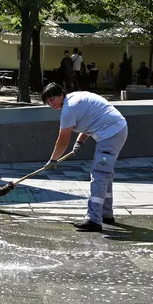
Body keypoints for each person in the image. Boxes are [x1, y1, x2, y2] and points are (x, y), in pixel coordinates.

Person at [41, 83, 128, 232]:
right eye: (47, 101)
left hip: (111, 134)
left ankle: (94, 219)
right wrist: (79, 142)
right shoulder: (75, 99)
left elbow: (62, 141)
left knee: (99, 174)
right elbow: (91, 120)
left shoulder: (68, 109)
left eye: (52, 99)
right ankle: (106, 214)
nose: (50, 103)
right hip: (117, 130)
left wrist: (53, 160)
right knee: (105, 174)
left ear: (61, 95)